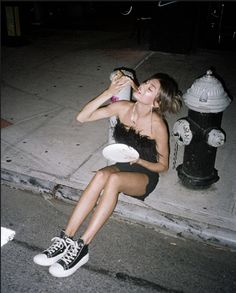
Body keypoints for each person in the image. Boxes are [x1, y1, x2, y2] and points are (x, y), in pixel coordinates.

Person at [33, 70, 182, 278]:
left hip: (144, 174)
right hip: (123, 165)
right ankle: (66, 238)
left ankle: (82, 246)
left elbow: (164, 165)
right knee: (100, 176)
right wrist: (109, 91)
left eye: (150, 89)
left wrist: (140, 161)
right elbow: (82, 117)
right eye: (145, 82)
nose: (143, 86)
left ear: (156, 103)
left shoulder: (157, 125)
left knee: (112, 179)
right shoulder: (122, 108)